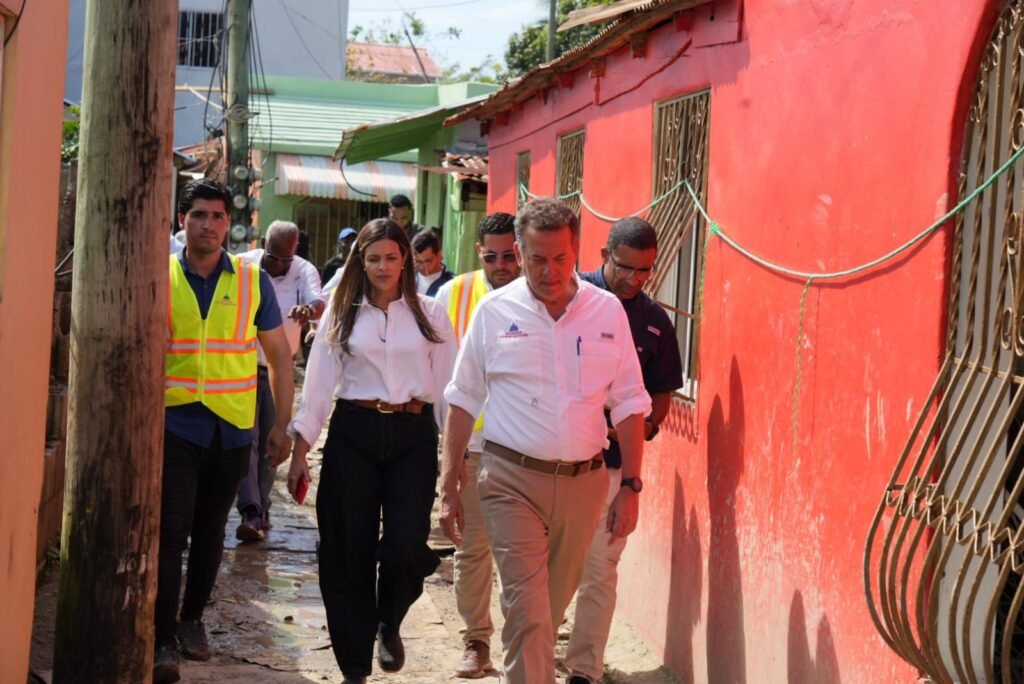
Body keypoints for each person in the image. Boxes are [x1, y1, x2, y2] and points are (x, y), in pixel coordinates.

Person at [439, 198, 651, 684]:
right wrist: (449, 482)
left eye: (560, 258)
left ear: (576, 252)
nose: (549, 271)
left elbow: (629, 401)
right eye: (537, 259)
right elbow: (464, 397)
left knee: (547, 612)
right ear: (519, 252)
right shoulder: (493, 312)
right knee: (529, 612)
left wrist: (631, 485)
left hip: (585, 484)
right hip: (510, 480)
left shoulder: (607, 313)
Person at [283, 219, 457, 684]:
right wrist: (300, 451)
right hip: (353, 432)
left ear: (406, 261)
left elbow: (447, 390)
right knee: (346, 549)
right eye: (374, 258)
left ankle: (390, 619)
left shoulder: (434, 315)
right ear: (361, 261)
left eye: (392, 258)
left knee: (404, 545)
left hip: (413, 435)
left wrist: (457, 465)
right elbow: (318, 384)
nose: (383, 267)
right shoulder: (342, 312)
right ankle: (354, 666)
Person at [155, 179, 295, 684]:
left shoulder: (252, 280)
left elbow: (280, 355)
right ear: (182, 221)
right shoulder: (160, 273)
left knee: (211, 530)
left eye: (216, 216)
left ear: (227, 225)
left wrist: (282, 425)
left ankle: (193, 622)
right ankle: (162, 635)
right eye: (198, 215)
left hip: (234, 428)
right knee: (171, 531)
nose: (208, 224)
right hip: (175, 421)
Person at [564, 217, 684, 684]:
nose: (635, 279)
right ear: (602, 256)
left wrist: (644, 427)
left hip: (615, 471)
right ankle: (532, 659)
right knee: (552, 570)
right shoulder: (570, 299)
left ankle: (583, 670)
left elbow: (662, 393)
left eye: (645, 271)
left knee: (601, 570)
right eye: (626, 267)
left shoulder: (655, 322)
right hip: (559, 465)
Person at [433, 212, 521, 678]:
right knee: (472, 550)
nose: (503, 265)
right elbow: (440, 375)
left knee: (524, 556)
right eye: (493, 257)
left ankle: (523, 643)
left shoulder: (545, 298)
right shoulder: (452, 295)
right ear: (478, 253)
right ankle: (476, 641)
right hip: (471, 449)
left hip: (528, 452)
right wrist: (449, 454)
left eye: (511, 255)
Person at [234, 220, 326, 542]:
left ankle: (262, 507)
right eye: (273, 257)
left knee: (274, 443)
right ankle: (249, 510)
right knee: (247, 440)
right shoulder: (244, 266)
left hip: (279, 370)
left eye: (285, 260)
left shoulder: (303, 271)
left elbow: (319, 302)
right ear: (263, 244)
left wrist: (308, 310)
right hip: (242, 367)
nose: (278, 265)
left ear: (295, 252)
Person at [412, 228, 454, 297]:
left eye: (428, 261)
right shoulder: (405, 279)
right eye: (418, 261)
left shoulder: (452, 282)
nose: (422, 267)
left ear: (439, 255)